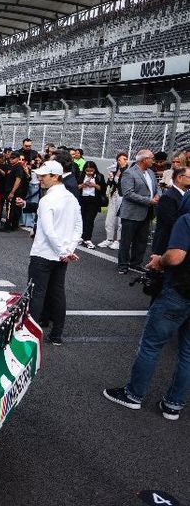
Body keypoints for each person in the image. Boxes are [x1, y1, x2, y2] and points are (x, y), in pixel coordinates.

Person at [103, 195, 190, 420]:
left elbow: (175, 257)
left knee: (151, 345)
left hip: (179, 291)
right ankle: (173, 405)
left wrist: (160, 261)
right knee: (187, 353)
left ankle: (133, 394)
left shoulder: (186, 220)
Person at [15, 160, 82, 345]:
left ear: (55, 176)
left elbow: (48, 230)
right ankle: (56, 335)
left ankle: (31, 337)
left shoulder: (47, 200)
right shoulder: (71, 198)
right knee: (57, 293)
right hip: (62, 255)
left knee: (36, 294)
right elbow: (78, 227)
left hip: (44, 254)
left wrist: (63, 250)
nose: (40, 179)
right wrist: (68, 250)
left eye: (44, 176)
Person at [117, 150, 161, 274]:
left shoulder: (151, 172)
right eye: (152, 158)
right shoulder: (129, 173)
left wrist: (158, 195)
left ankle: (136, 263)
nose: (153, 161)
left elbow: (157, 187)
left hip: (147, 212)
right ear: (144, 160)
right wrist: (149, 201)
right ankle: (123, 265)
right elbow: (128, 193)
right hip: (131, 213)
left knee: (141, 241)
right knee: (126, 241)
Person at [151, 166, 188, 256]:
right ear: (180, 178)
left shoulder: (185, 195)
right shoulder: (168, 197)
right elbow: (170, 222)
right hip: (167, 245)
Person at [99, 152, 128, 250]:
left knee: (120, 220)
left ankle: (118, 240)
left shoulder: (128, 171)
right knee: (109, 218)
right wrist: (110, 179)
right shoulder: (115, 169)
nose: (122, 161)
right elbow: (110, 184)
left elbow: (124, 183)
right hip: (114, 195)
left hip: (123, 197)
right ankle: (109, 239)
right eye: (119, 159)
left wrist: (122, 168)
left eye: (124, 159)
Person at [77, 161, 106, 249]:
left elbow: (103, 189)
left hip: (94, 201)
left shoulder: (99, 176)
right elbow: (76, 187)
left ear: (95, 169)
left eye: (91, 171)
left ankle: (87, 238)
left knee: (89, 220)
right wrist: (83, 185)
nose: (89, 173)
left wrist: (94, 185)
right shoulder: (81, 175)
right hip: (82, 200)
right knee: (81, 219)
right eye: (87, 171)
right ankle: (81, 237)